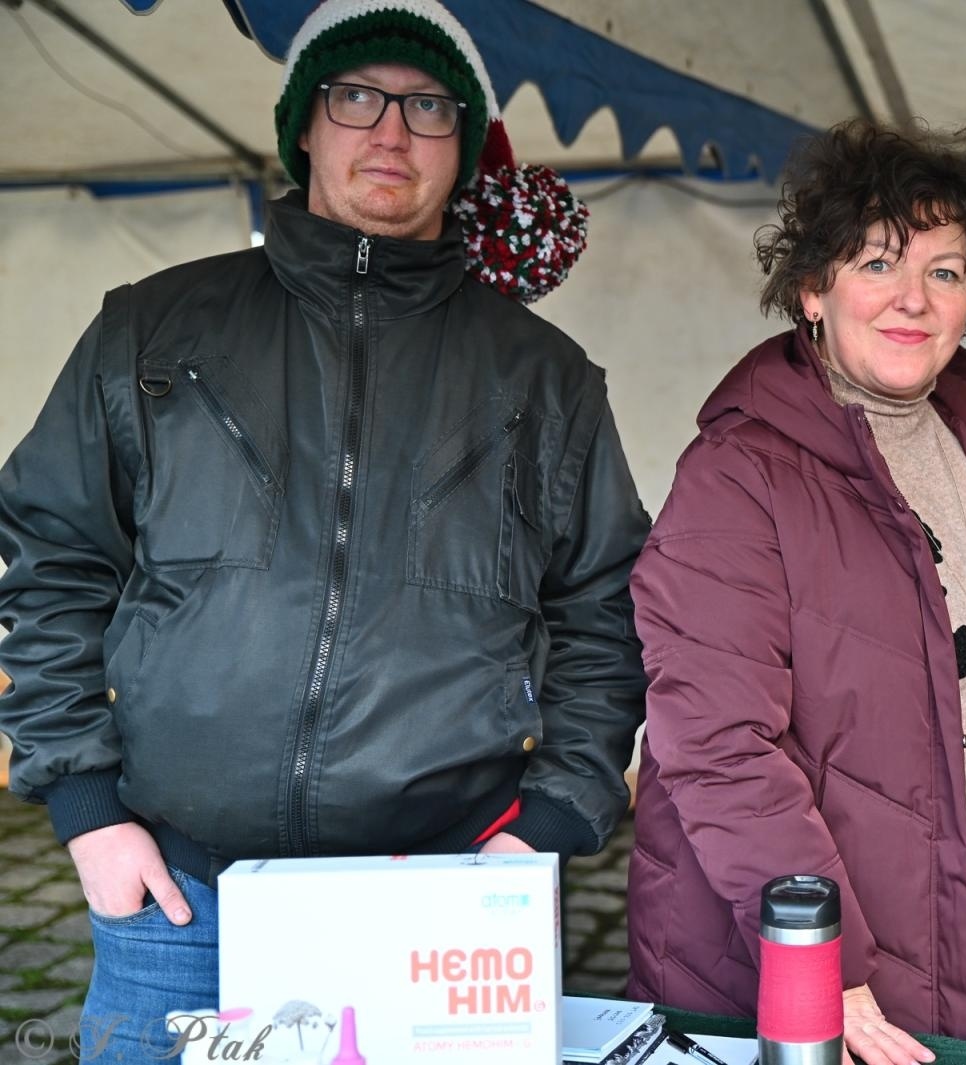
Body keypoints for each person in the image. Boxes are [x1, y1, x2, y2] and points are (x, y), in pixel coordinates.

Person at [0, 1, 648, 1058]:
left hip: (447, 899)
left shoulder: (543, 377)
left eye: (427, 107)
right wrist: (86, 808)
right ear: (305, 125)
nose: (390, 132)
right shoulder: (155, 330)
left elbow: (607, 607)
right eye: (357, 97)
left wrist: (549, 826)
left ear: (464, 144)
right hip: (177, 895)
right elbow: (52, 557)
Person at [626, 120, 966, 1063]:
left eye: (945, 272)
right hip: (803, 973)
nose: (912, 299)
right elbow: (714, 743)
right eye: (876, 263)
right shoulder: (737, 473)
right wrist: (820, 963)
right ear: (812, 289)